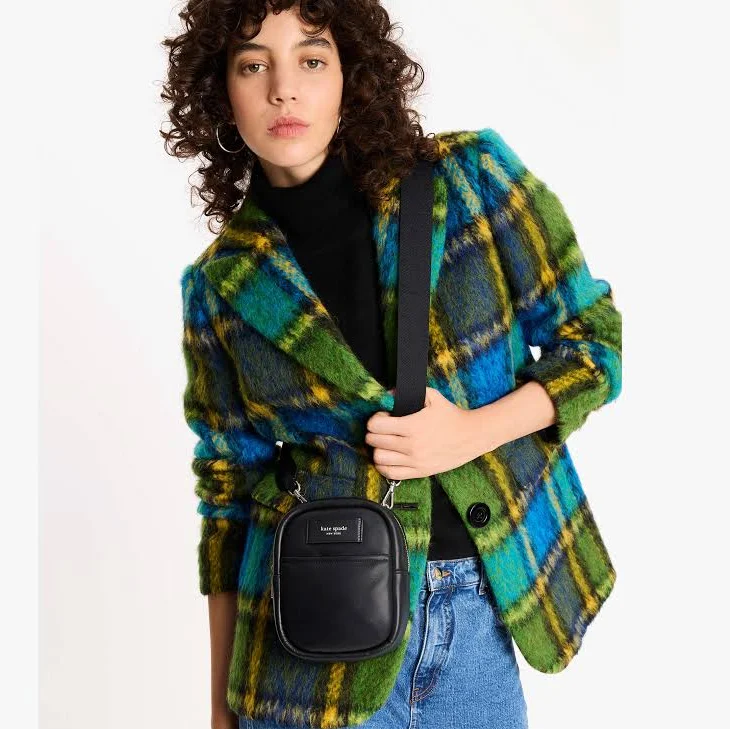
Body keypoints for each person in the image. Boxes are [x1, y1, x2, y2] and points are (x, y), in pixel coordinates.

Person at [160, 2, 623, 729]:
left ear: (353, 74)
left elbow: (593, 343)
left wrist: (469, 432)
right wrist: (222, 708)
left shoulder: (470, 178)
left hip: (479, 621)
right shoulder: (220, 285)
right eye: (253, 65)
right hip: (304, 653)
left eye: (312, 59)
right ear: (221, 93)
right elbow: (228, 493)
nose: (284, 88)